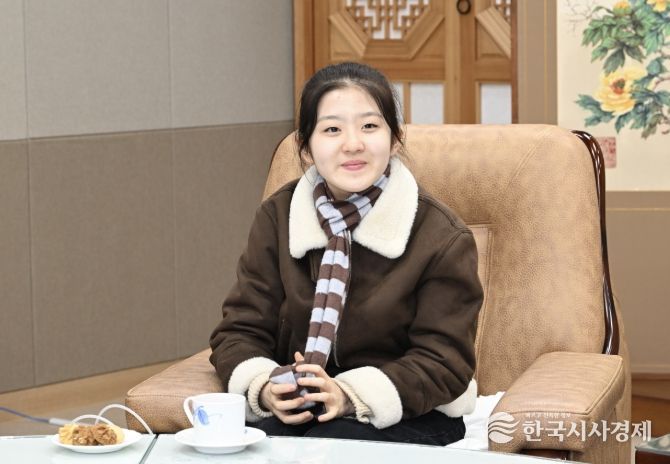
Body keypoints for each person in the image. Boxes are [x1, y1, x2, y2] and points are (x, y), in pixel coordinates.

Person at [209, 61, 483, 445]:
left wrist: (349, 395)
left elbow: (444, 362)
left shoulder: (441, 235)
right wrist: (266, 388)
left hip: (412, 409)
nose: (353, 144)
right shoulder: (278, 216)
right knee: (255, 448)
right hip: (304, 408)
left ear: (395, 138)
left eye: (369, 126)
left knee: (333, 445)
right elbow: (240, 331)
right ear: (306, 146)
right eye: (332, 129)